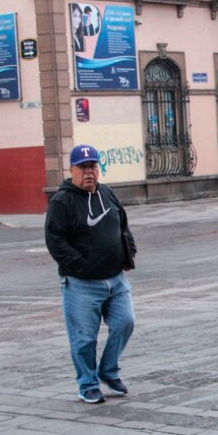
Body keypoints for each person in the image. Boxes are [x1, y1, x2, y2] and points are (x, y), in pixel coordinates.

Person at [45, 144, 137, 404]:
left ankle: (108, 370)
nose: (89, 172)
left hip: (116, 280)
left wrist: (129, 250)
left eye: (93, 166)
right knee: (84, 338)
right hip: (81, 284)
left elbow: (122, 224)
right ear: (72, 170)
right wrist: (80, 265)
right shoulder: (61, 202)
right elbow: (55, 240)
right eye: (83, 167)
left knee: (125, 322)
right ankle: (87, 384)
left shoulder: (107, 193)